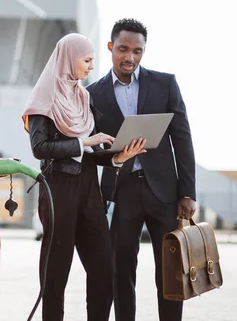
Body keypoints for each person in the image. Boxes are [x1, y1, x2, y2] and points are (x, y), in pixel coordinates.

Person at [22, 33, 146, 321]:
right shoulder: (45, 98)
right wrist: (84, 143)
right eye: (87, 60)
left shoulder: (83, 97)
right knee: (56, 276)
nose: (92, 66)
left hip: (89, 190)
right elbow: (40, 148)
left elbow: (90, 153)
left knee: (104, 269)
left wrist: (117, 157)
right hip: (58, 190)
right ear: (69, 59)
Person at [86, 19, 196, 321]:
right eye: (123, 49)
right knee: (121, 271)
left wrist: (187, 192)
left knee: (171, 272)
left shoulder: (165, 83)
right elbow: (92, 148)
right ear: (110, 47)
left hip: (164, 193)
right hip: (120, 192)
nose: (129, 57)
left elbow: (182, 138)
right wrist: (113, 155)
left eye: (137, 51)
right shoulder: (92, 94)